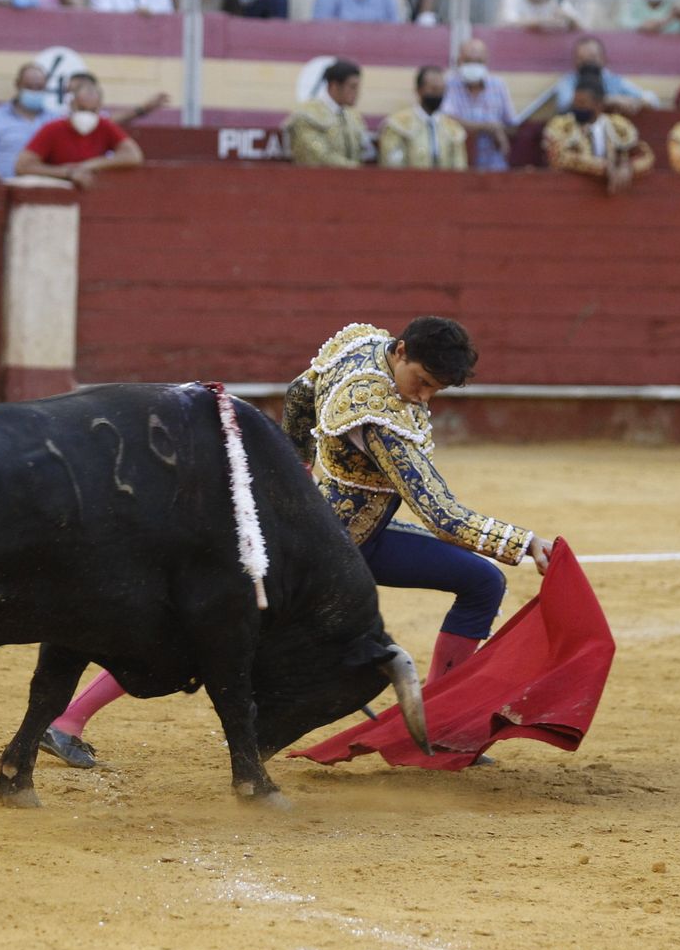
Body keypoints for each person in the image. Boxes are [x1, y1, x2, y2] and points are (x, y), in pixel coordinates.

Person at [38, 316, 556, 768]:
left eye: (435, 390)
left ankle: (440, 723)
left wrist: (294, 462)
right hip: (313, 559)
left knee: (481, 582)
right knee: (201, 633)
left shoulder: (362, 345)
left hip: (361, 535)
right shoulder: (374, 415)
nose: (422, 396)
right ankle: (67, 720)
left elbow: (300, 393)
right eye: (421, 381)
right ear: (401, 351)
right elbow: (438, 511)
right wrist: (520, 541)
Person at [14, 80, 144, 188]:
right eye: (82, 109)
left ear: (100, 108)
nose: (87, 114)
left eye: (92, 110)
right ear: (71, 105)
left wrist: (89, 165)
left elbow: (133, 155)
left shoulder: (104, 126)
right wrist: (66, 172)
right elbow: (22, 166)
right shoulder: (53, 129)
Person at [543, 73, 655, 196]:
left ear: (599, 105)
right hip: (571, 197)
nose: (577, 108)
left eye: (582, 103)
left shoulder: (618, 126)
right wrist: (603, 167)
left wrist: (629, 168)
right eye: (575, 103)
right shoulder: (561, 126)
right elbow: (557, 158)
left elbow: (646, 155)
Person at [441, 37, 518, 172]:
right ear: (459, 61)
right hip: (458, 166)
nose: (473, 66)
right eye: (468, 61)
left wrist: (498, 130)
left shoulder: (498, 85)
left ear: (486, 62)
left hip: (494, 167)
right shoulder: (449, 84)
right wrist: (490, 127)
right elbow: (447, 121)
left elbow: (512, 126)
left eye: (478, 61)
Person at [0, 63, 54, 178]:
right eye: (29, 87)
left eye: (39, 88)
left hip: (43, 190)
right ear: (17, 85)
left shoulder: (54, 120)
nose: (34, 92)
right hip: (2, 189)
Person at [281, 59, 367, 167]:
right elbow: (316, 157)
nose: (357, 93)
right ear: (334, 86)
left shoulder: (353, 117)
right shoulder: (307, 115)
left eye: (357, 87)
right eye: (352, 87)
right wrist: (356, 170)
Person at [378, 65, 467, 169]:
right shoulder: (397, 124)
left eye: (441, 90)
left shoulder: (453, 128)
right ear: (419, 90)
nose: (438, 94)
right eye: (433, 89)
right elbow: (392, 166)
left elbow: (459, 169)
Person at [552, 36, 658, 117]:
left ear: (603, 59)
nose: (587, 63)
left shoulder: (613, 80)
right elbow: (563, 106)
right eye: (581, 59)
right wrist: (609, 100)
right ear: (575, 61)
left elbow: (652, 100)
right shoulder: (568, 81)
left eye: (592, 57)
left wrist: (636, 102)